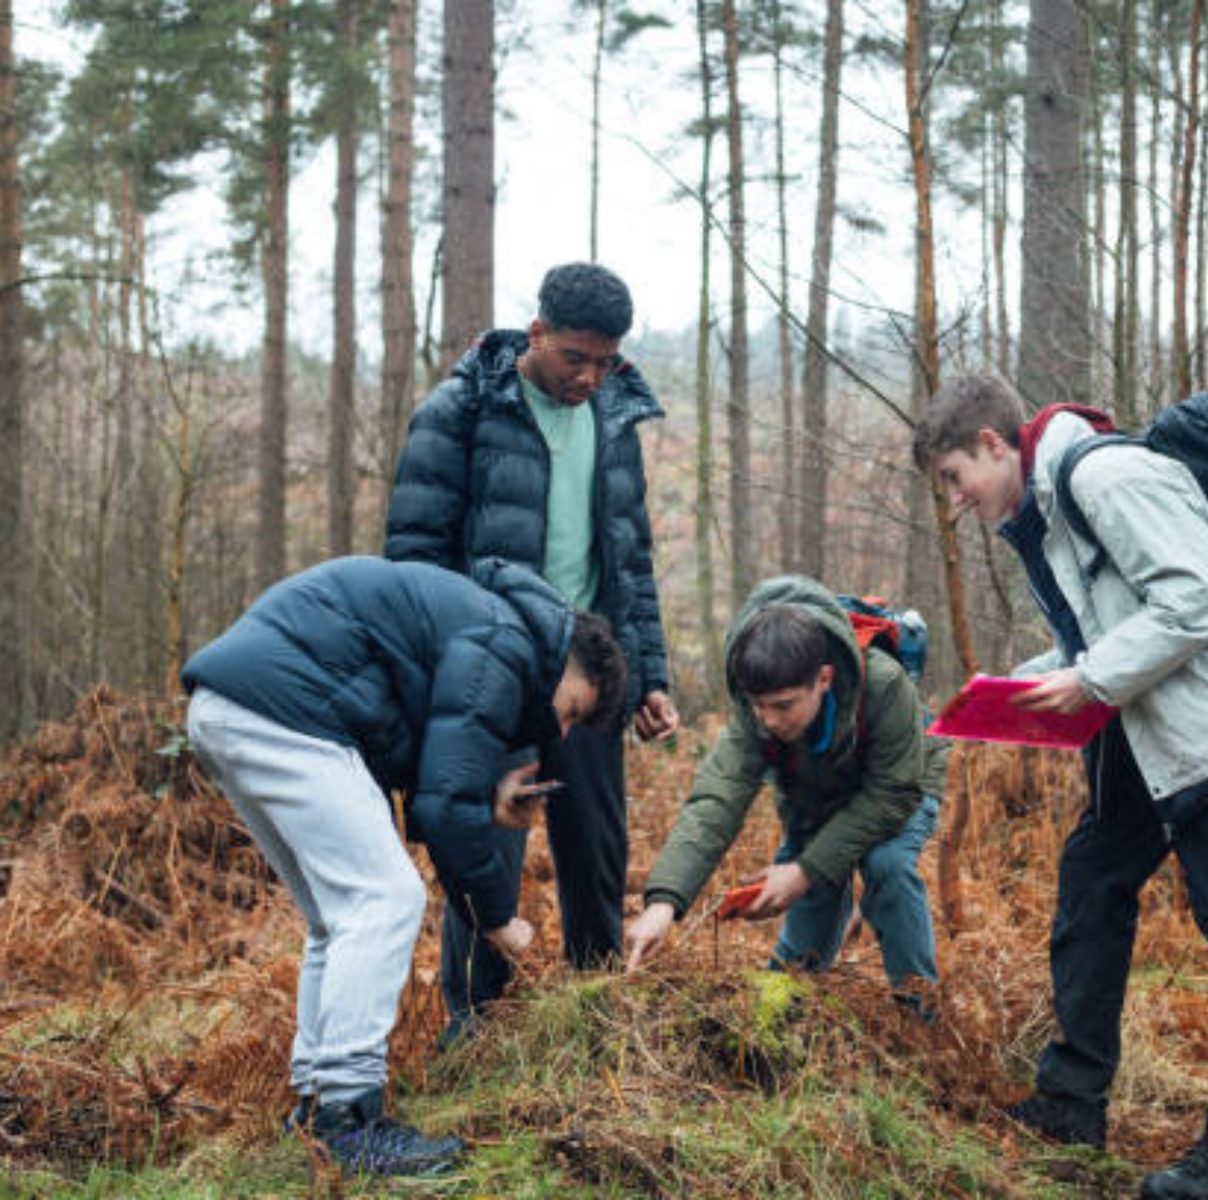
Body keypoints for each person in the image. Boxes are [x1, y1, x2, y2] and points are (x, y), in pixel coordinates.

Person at [912, 374, 1208, 1200]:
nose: (957, 501)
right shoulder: (1049, 512)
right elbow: (1105, 631)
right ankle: (1072, 1101)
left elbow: (1197, 597)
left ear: (996, 446)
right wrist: (1020, 687)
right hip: (1141, 731)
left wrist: (1093, 679)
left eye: (956, 478)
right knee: (1092, 886)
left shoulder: (1103, 478)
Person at [182, 556, 626, 1177]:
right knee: (386, 897)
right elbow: (442, 805)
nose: (559, 725)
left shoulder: (481, 625)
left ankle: (316, 1103)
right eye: (573, 708)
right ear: (568, 662)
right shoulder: (508, 642)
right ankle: (349, 1119)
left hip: (231, 708)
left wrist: (482, 801)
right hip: (283, 706)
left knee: (337, 918)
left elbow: (430, 775)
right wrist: (498, 918)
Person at [385, 261, 678, 1037]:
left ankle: (594, 1021)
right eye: (574, 357)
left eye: (605, 361)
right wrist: (443, 676)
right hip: (494, 670)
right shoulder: (460, 412)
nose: (589, 376)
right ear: (537, 332)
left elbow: (632, 558)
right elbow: (414, 560)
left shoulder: (614, 420)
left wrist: (647, 674)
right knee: (490, 847)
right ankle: (472, 1031)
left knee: (596, 849)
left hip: (591, 674)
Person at [624, 576, 945, 1009]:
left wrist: (804, 869)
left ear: (825, 678)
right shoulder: (755, 713)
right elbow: (717, 799)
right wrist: (664, 902)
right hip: (815, 793)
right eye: (759, 706)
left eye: (783, 705)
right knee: (806, 912)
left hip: (898, 783)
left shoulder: (884, 683)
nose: (769, 720)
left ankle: (919, 1016)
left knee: (886, 866)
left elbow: (895, 793)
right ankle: (785, 1014)